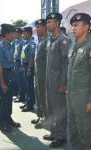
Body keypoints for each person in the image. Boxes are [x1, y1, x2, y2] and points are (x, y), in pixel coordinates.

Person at [43, 13, 70, 148]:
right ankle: (54, 132)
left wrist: (63, 83)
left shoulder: (63, 40)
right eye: (47, 23)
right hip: (50, 79)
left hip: (58, 80)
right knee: (51, 107)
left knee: (59, 109)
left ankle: (61, 136)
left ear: (58, 23)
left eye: (50, 22)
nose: (47, 25)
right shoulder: (50, 39)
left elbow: (66, 63)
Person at [68, 13, 91, 150]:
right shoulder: (72, 46)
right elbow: (70, 71)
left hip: (84, 97)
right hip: (72, 96)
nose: (72, 28)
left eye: (76, 25)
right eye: (72, 26)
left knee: (85, 133)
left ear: (86, 27)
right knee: (73, 130)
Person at [0, 24, 21, 132]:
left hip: (9, 73)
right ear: (7, 34)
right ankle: (2, 123)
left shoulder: (9, 46)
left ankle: (8, 119)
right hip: (4, 75)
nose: (14, 35)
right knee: (3, 100)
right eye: (12, 33)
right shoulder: (0, 47)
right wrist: (2, 82)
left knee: (8, 99)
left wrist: (13, 75)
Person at [31, 19, 48, 129]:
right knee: (37, 93)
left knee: (43, 95)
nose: (37, 29)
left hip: (44, 72)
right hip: (38, 72)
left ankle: (45, 118)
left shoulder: (48, 40)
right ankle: (40, 115)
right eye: (36, 27)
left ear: (45, 28)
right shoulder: (39, 40)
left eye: (40, 27)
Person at [19, 27, 36, 112]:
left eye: (24, 33)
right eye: (22, 33)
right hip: (24, 65)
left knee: (29, 86)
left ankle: (30, 104)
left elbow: (31, 57)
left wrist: (29, 69)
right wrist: (22, 66)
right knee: (26, 85)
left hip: (29, 66)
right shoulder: (25, 43)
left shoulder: (31, 43)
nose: (23, 35)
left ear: (29, 34)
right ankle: (27, 101)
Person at [12, 28, 25, 103]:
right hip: (15, 62)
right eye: (14, 33)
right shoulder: (16, 42)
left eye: (16, 33)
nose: (14, 35)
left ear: (20, 34)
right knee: (17, 79)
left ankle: (21, 96)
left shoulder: (22, 42)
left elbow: (22, 55)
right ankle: (18, 94)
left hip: (19, 62)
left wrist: (21, 65)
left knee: (20, 81)